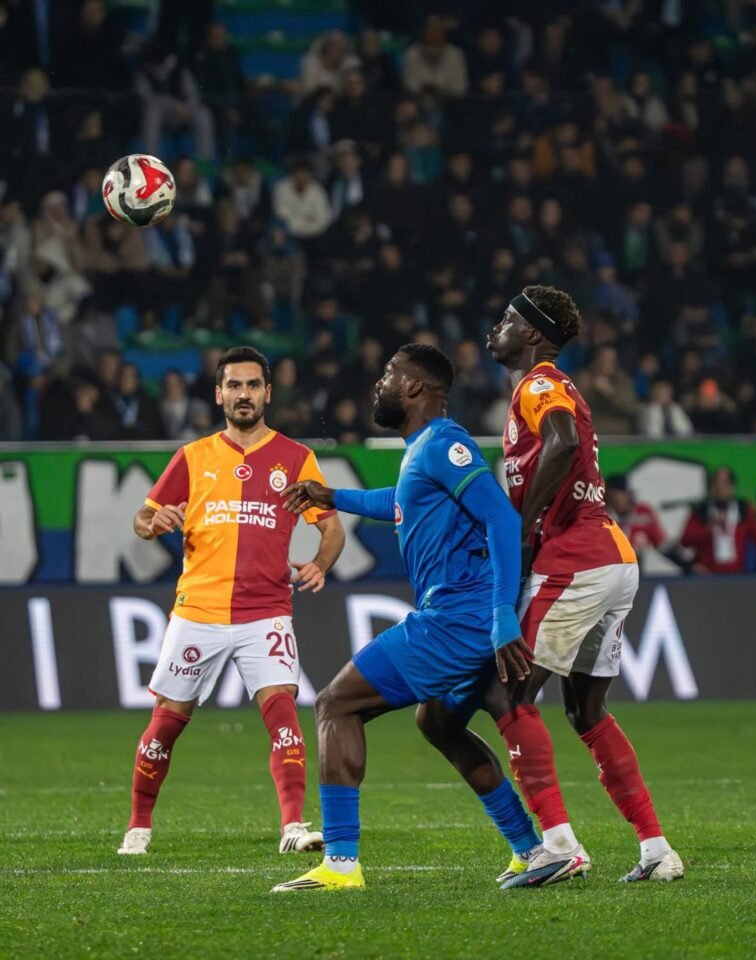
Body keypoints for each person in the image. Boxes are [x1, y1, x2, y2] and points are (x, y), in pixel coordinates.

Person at [420, 286, 683, 887]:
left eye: (508, 318)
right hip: (611, 559)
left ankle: (558, 843)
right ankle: (656, 850)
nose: (496, 325)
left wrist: (524, 524)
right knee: (586, 709)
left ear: (534, 335)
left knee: (507, 695)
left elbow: (562, 443)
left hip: (574, 561)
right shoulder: (533, 390)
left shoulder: (540, 384)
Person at [271, 343, 539, 891]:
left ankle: (340, 865)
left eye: (390, 374)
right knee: (438, 723)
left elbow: (501, 520)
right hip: (463, 617)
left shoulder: (445, 444)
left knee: (334, 704)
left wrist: (501, 617)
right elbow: (404, 500)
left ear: (415, 388)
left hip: (457, 619)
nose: (380, 383)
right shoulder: (424, 450)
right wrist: (334, 496)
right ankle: (530, 847)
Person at [117, 346, 346, 857]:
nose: (244, 395)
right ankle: (138, 825)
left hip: (266, 610)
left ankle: (292, 826)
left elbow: (331, 528)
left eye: (253, 385)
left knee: (283, 713)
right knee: (165, 725)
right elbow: (142, 516)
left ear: (268, 392)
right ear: (219, 394)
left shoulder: (296, 459)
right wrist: (151, 524)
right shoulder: (193, 457)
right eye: (234, 386)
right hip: (197, 610)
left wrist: (321, 563)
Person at [680, 466, 756, 574]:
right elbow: (685, 540)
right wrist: (709, 529)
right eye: (716, 483)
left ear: (732, 487)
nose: (719, 487)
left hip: (737, 575)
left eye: (724, 483)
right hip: (708, 575)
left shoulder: (743, 509)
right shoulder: (702, 510)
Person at [604, 474, 692, 573]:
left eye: (625, 493)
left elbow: (662, 545)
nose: (622, 498)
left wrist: (689, 565)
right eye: (617, 493)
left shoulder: (643, 513)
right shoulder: (600, 514)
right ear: (607, 494)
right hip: (608, 571)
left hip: (638, 573)